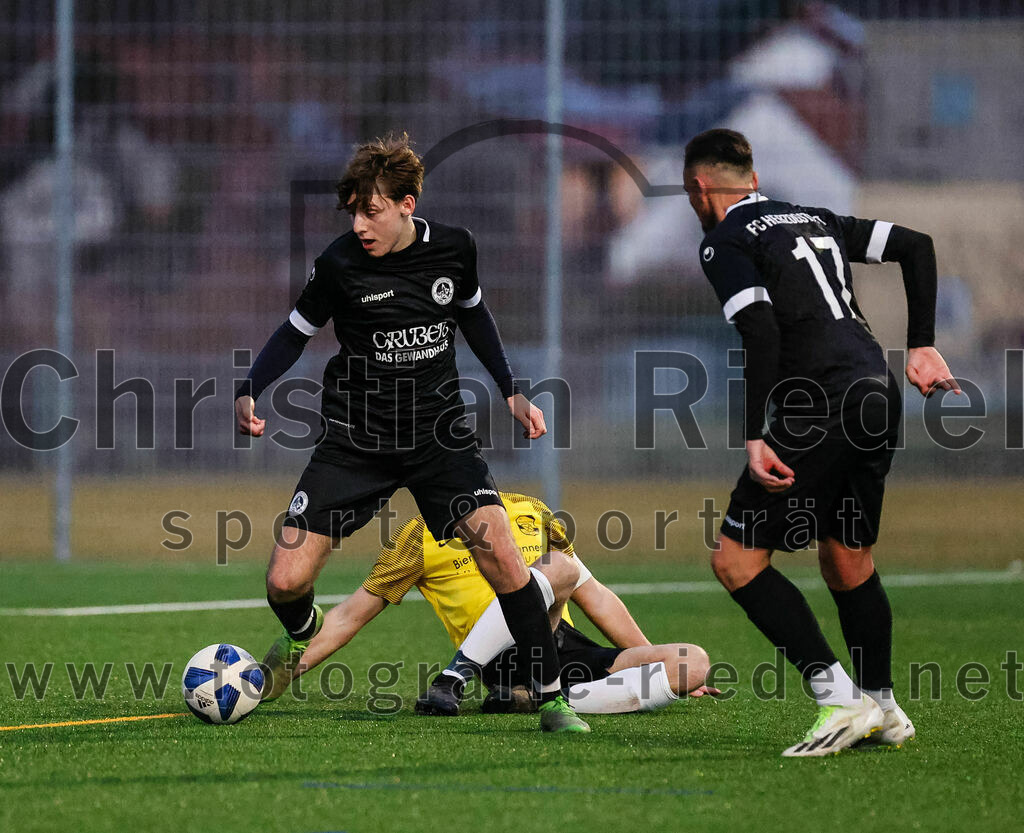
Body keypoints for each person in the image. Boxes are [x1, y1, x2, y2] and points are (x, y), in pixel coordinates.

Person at [235, 134, 588, 733]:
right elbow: (294, 331)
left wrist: (510, 389)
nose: (359, 223)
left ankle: (551, 696)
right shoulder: (338, 264)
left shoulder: (455, 248)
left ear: (407, 203)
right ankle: (304, 632)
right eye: (352, 211)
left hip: (439, 441)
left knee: (505, 561)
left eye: (370, 211)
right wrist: (250, 387)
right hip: (355, 440)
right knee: (284, 581)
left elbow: (474, 314)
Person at [682, 128, 959, 757]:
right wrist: (921, 342)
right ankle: (884, 708)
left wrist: (754, 434)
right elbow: (916, 246)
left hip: (822, 402)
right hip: (875, 388)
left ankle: (839, 699)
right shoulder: (816, 217)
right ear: (751, 178)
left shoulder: (723, 241)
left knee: (736, 560)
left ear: (700, 188)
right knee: (845, 558)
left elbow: (758, 329)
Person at [288, 491, 713, 715]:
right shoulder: (420, 534)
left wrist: (647, 660)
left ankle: (539, 697)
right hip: (499, 655)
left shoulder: (532, 510)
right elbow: (349, 615)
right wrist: (280, 673)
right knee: (560, 567)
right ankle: (458, 674)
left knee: (691, 664)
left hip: (561, 647)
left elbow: (595, 595)